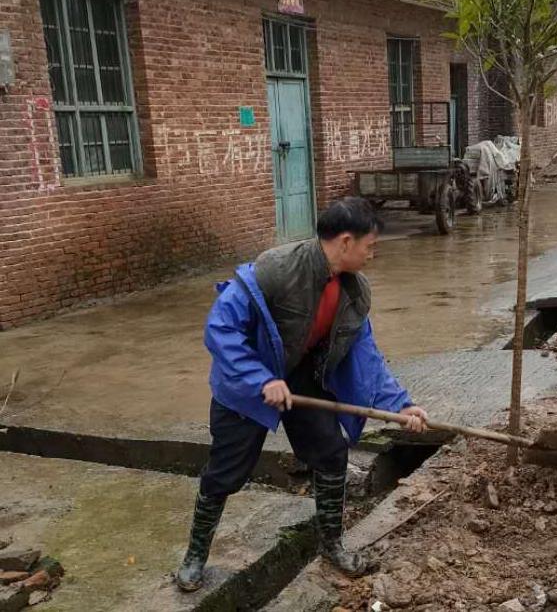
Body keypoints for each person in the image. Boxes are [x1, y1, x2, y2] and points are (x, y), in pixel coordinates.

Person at [176, 198, 428, 591]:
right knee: (226, 473)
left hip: (302, 378)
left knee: (331, 454)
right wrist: (260, 379)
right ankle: (195, 556)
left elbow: (366, 356)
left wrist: (402, 404)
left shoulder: (355, 291)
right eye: (370, 246)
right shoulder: (275, 270)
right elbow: (220, 329)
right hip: (246, 386)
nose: (372, 255)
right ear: (346, 242)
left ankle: (332, 546)